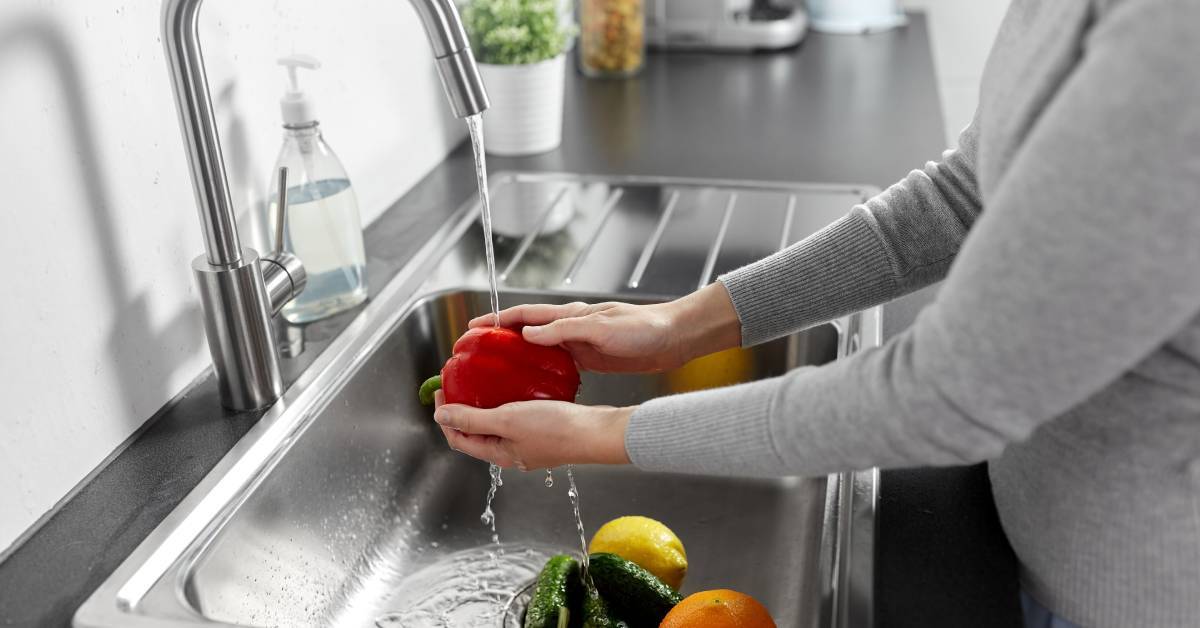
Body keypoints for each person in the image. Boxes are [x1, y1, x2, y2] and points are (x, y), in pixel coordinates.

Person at [432, 0, 1200, 626]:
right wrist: (682, 324)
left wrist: (601, 433)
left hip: (1132, 589)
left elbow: (946, 394)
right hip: (1032, 530)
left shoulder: (1174, 43)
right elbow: (966, 193)